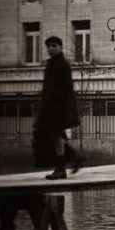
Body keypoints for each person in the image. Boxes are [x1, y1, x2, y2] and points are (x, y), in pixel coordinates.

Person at [36, 36, 84, 179]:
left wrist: (54, 101)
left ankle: (61, 168)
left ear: (60, 47)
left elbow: (66, 87)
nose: (51, 48)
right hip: (50, 107)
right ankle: (75, 158)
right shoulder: (51, 64)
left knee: (56, 137)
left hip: (58, 108)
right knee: (55, 136)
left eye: (54, 46)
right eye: (49, 46)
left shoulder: (62, 64)